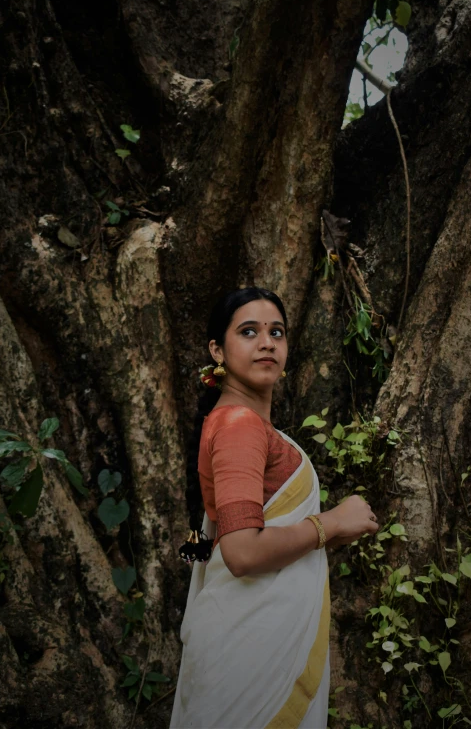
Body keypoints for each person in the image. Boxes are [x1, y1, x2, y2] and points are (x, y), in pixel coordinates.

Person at [170, 287, 379, 729]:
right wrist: (330, 521)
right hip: (248, 653)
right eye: (249, 331)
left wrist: (332, 532)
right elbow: (244, 552)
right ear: (217, 350)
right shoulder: (239, 425)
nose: (267, 342)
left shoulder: (241, 424)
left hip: (246, 642)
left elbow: (264, 536)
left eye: (276, 332)